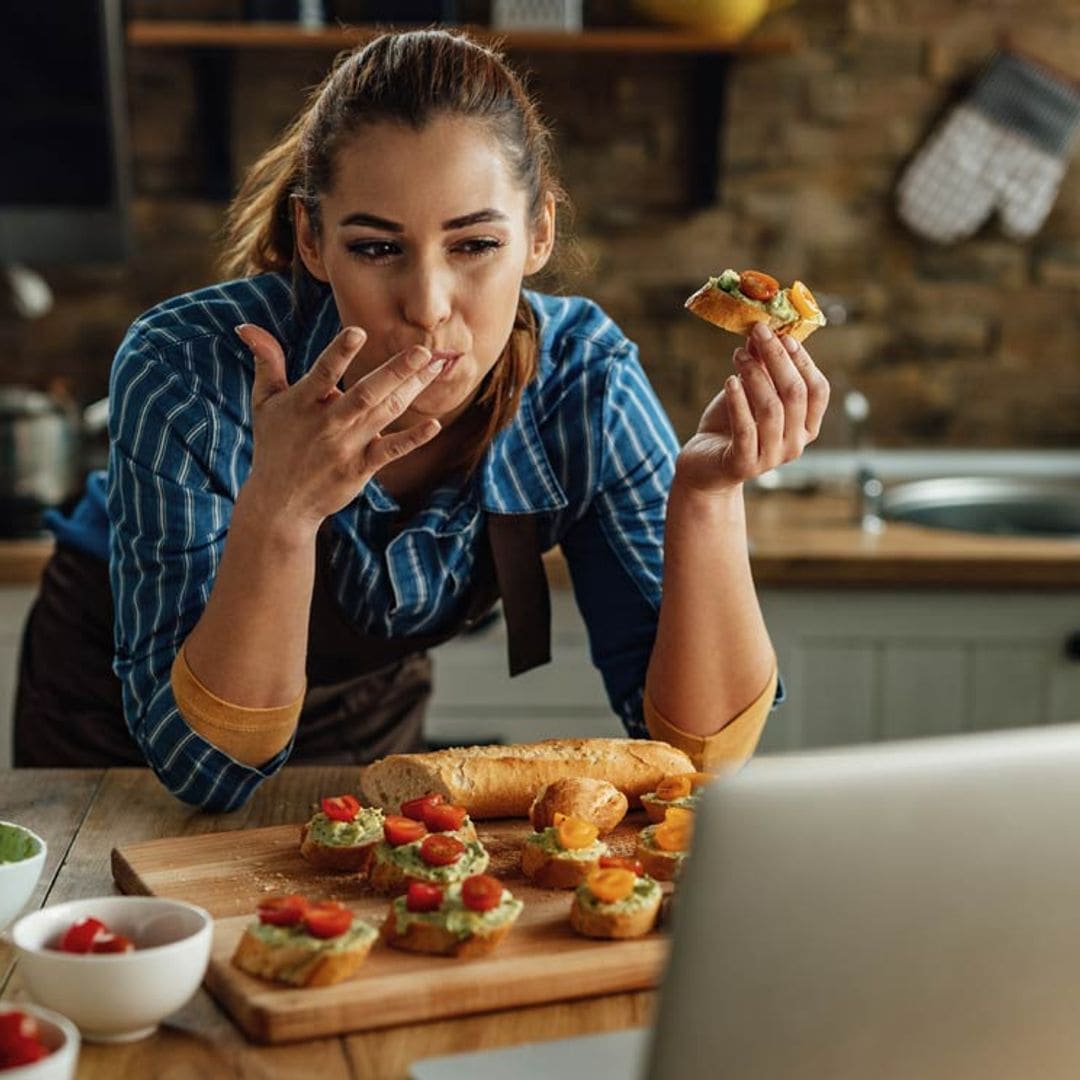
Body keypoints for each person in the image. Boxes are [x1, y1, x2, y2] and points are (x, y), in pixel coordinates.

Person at [14, 29, 829, 811]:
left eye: (474, 245)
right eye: (376, 249)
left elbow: (698, 761)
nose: (428, 307)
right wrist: (281, 510)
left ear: (538, 232)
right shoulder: (186, 366)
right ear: (311, 238)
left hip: (366, 713)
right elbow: (204, 773)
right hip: (117, 735)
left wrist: (709, 498)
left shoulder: (584, 381)